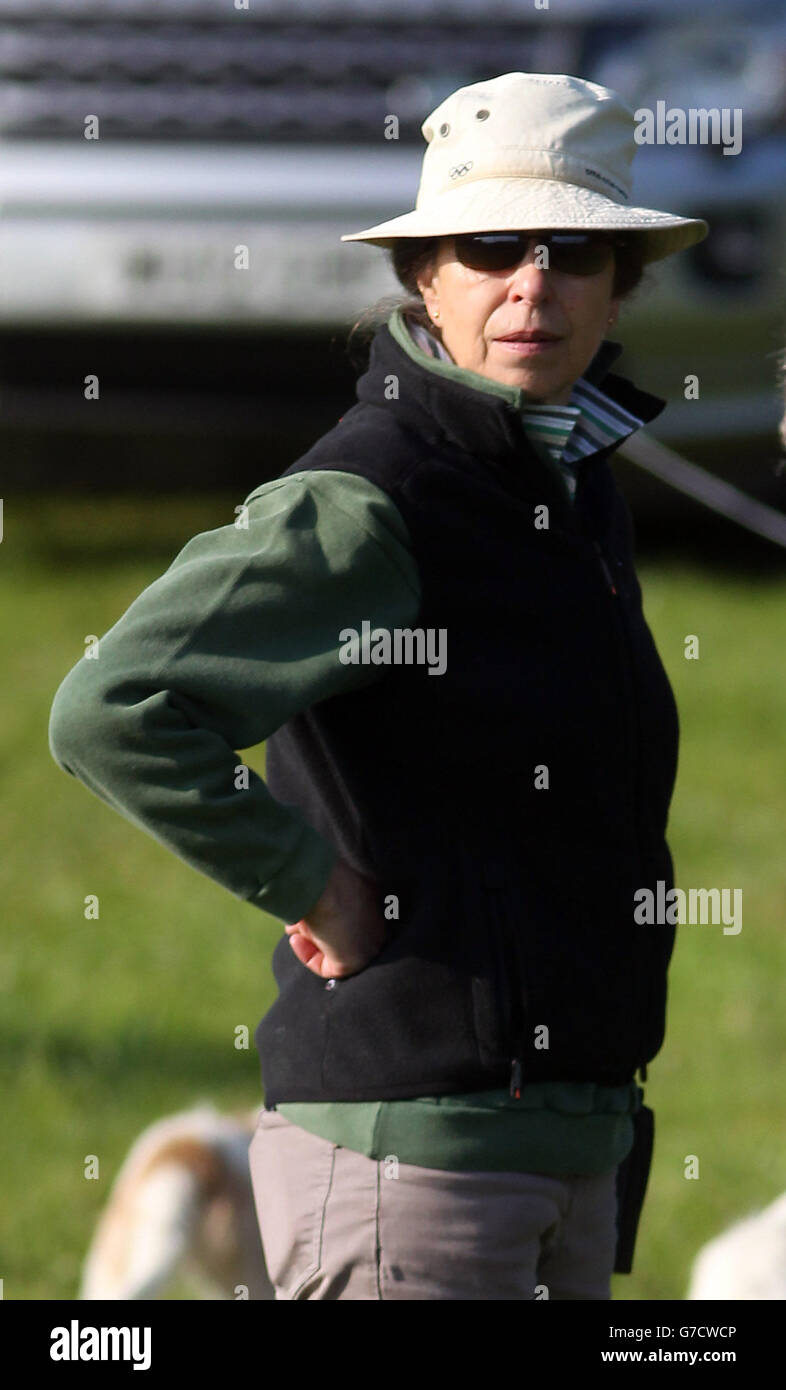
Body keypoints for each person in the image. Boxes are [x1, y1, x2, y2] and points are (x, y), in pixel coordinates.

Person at [48, 71, 708, 1300]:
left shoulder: (574, 480)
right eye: (492, 245)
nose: (533, 283)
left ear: (621, 280)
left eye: (574, 248)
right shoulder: (367, 499)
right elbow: (109, 708)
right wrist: (306, 878)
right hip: (415, 1171)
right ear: (425, 277)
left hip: (575, 1152)